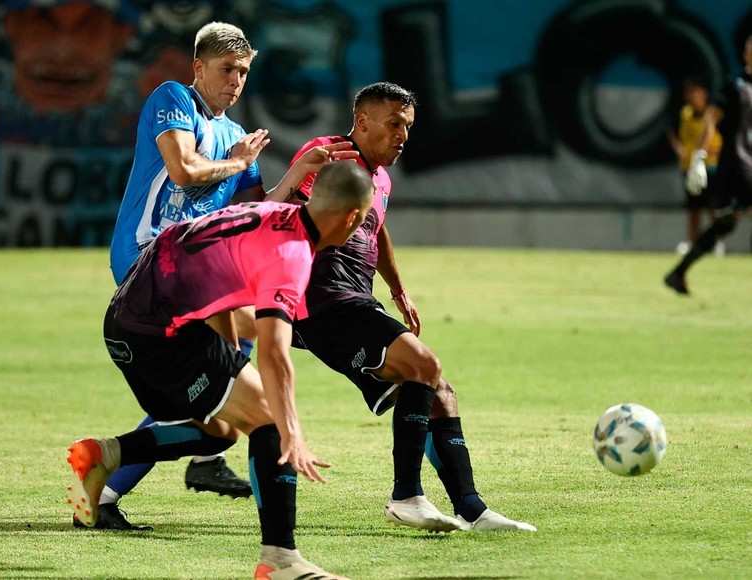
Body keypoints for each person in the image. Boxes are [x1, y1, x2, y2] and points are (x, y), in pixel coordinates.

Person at [93, 21, 359, 530]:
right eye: (226, 69)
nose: (236, 80)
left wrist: (298, 172)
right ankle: (226, 482)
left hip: (195, 271)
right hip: (147, 257)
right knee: (242, 366)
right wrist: (236, 163)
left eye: (243, 71)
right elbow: (183, 171)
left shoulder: (237, 136)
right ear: (199, 68)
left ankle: (169, 465)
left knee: (219, 375)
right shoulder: (173, 99)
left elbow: (251, 214)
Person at [67, 161, 374, 579]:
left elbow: (216, 283)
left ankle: (106, 454)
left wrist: (227, 359)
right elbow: (275, 356)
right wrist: (292, 432)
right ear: (353, 217)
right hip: (156, 334)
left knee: (222, 431)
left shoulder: (271, 214)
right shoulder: (293, 255)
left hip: (129, 320)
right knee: (268, 420)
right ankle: (280, 561)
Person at [268, 82, 536, 532]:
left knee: (439, 391)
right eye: (394, 124)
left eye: (408, 127)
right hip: (323, 298)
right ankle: (406, 496)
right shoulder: (328, 154)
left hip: (355, 296)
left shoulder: (380, 179)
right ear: (362, 121)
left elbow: (377, 230)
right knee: (424, 365)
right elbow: (276, 212)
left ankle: (472, 508)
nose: (403, 136)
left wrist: (398, 289)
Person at [664, 32, 752, 295]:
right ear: (746, 54)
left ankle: (678, 273)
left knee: (726, 222)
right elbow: (710, 120)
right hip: (739, 165)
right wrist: (700, 157)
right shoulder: (735, 86)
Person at [666, 78, 724, 256]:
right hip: (690, 167)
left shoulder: (714, 113)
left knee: (714, 207)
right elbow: (671, 131)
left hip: (711, 166)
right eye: (690, 93)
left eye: (696, 92)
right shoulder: (685, 113)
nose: (692, 96)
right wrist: (679, 149)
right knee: (694, 209)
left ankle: (718, 243)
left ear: (704, 93)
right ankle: (692, 242)